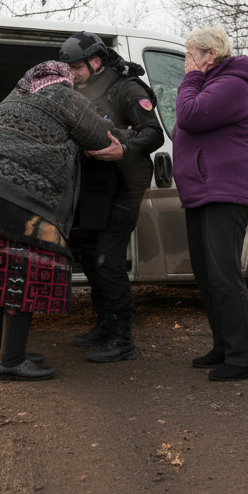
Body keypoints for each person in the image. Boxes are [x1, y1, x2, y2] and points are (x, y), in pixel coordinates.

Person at [0, 61, 125, 381]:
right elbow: (102, 138)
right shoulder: (66, 97)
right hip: (16, 199)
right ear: (65, 78)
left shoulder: (12, 97)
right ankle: (12, 360)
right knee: (20, 274)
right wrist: (123, 141)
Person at [59, 31, 164, 363]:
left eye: (76, 67)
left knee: (108, 261)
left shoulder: (127, 88)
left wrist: (125, 147)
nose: (71, 74)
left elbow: (153, 134)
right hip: (92, 187)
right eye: (68, 68)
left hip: (123, 185)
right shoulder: (77, 93)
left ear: (95, 61)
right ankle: (105, 326)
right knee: (89, 258)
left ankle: (122, 338)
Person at [172, 26, 248, 381]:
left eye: (188, 54)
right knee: (208, 275)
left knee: (224, 276)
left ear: (208, 55)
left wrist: (191, 80)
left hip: (225, 192)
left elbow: (189, 116)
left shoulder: (232, 85)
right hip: (203, 193)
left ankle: (243, 358)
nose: (185, 63)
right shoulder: (212, 85)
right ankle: (224, 346)